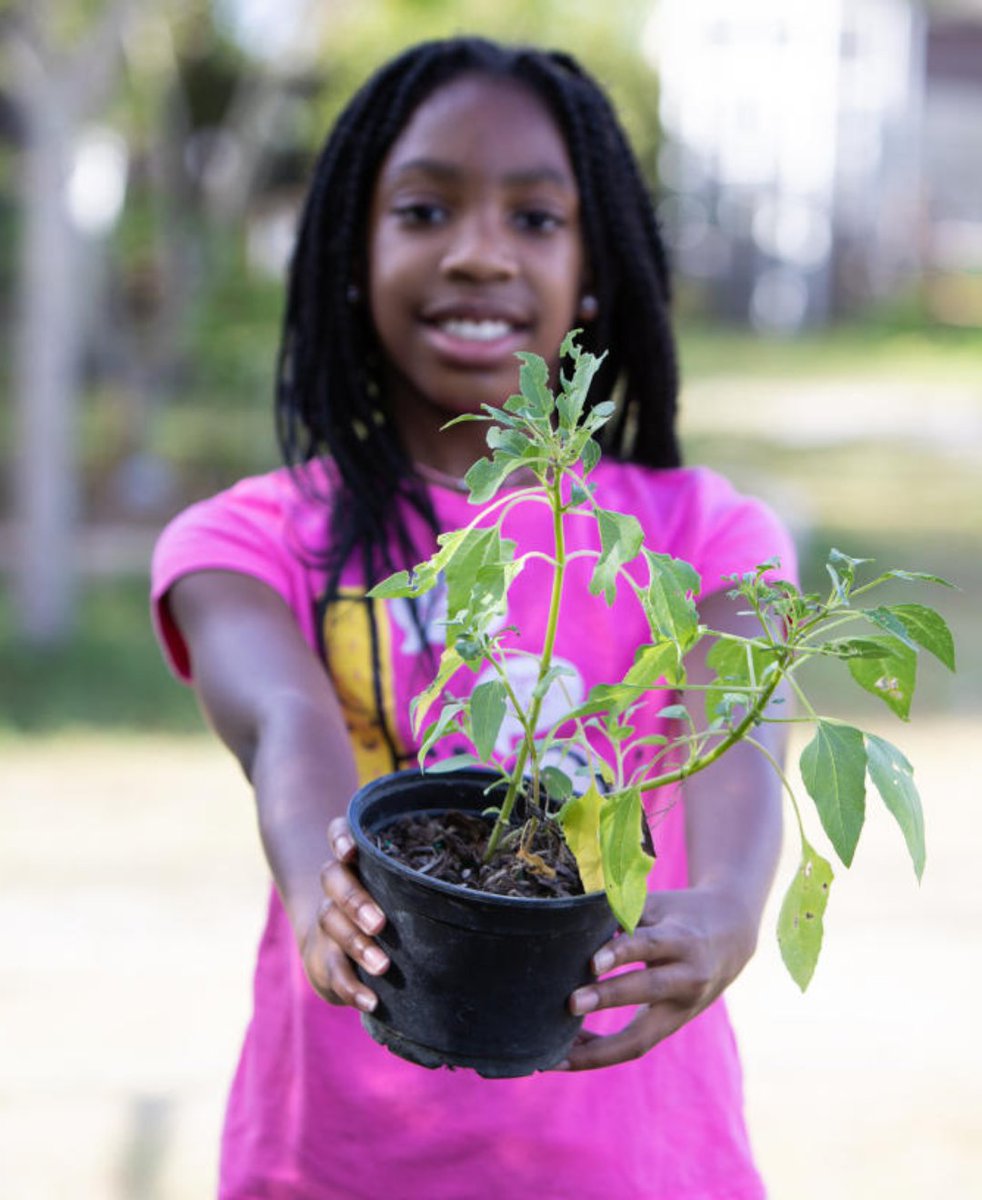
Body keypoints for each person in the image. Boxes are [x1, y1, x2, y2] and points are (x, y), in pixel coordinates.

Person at [151, 36, 796, 1200]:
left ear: (597, 271)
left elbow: (743, 723)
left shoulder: (704, 532)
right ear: (353, 250)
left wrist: (732, 910)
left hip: (640, 1168)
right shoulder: (247, 542)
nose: (478, 253)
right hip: (334, 1166)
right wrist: (317, 881)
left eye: (536, 219)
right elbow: (290, 727)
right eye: (423, 208)